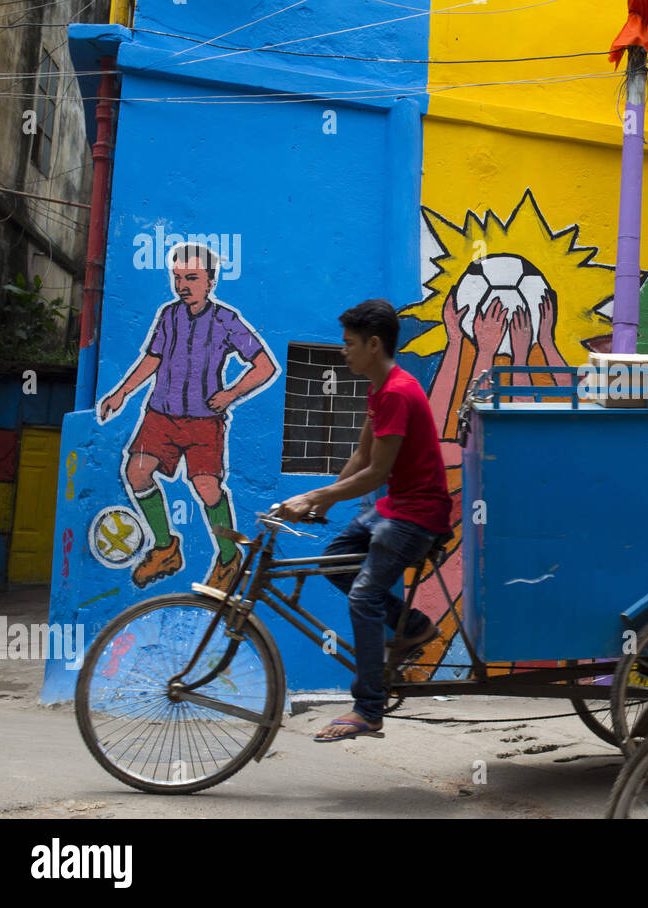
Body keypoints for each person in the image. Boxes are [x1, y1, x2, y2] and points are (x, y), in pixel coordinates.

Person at [279, 299, 452, 742]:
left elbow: (376, 473)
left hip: (417, 515)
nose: (343, 352)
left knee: (363, 597)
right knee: (334, 559)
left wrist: (313, 495)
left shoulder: (397, 391)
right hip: (395, 507)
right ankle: (412, 627)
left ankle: (368, 709)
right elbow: (362, 455)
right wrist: (325, 502)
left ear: (374, 345)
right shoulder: (379, 388)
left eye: (349, 344)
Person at [98, 242, 277, 591]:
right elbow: (152, 359)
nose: (182, 285)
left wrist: (230, 395)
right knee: (136, 471)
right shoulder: (168, 315)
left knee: (207, 487)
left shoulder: (226, 320)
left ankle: (228, 559)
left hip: (202, 420)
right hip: (161, 414)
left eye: (191, 278)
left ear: (210, 281)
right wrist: (121, 392)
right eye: (177, 278)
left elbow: (265, 365)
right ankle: (165, 548)